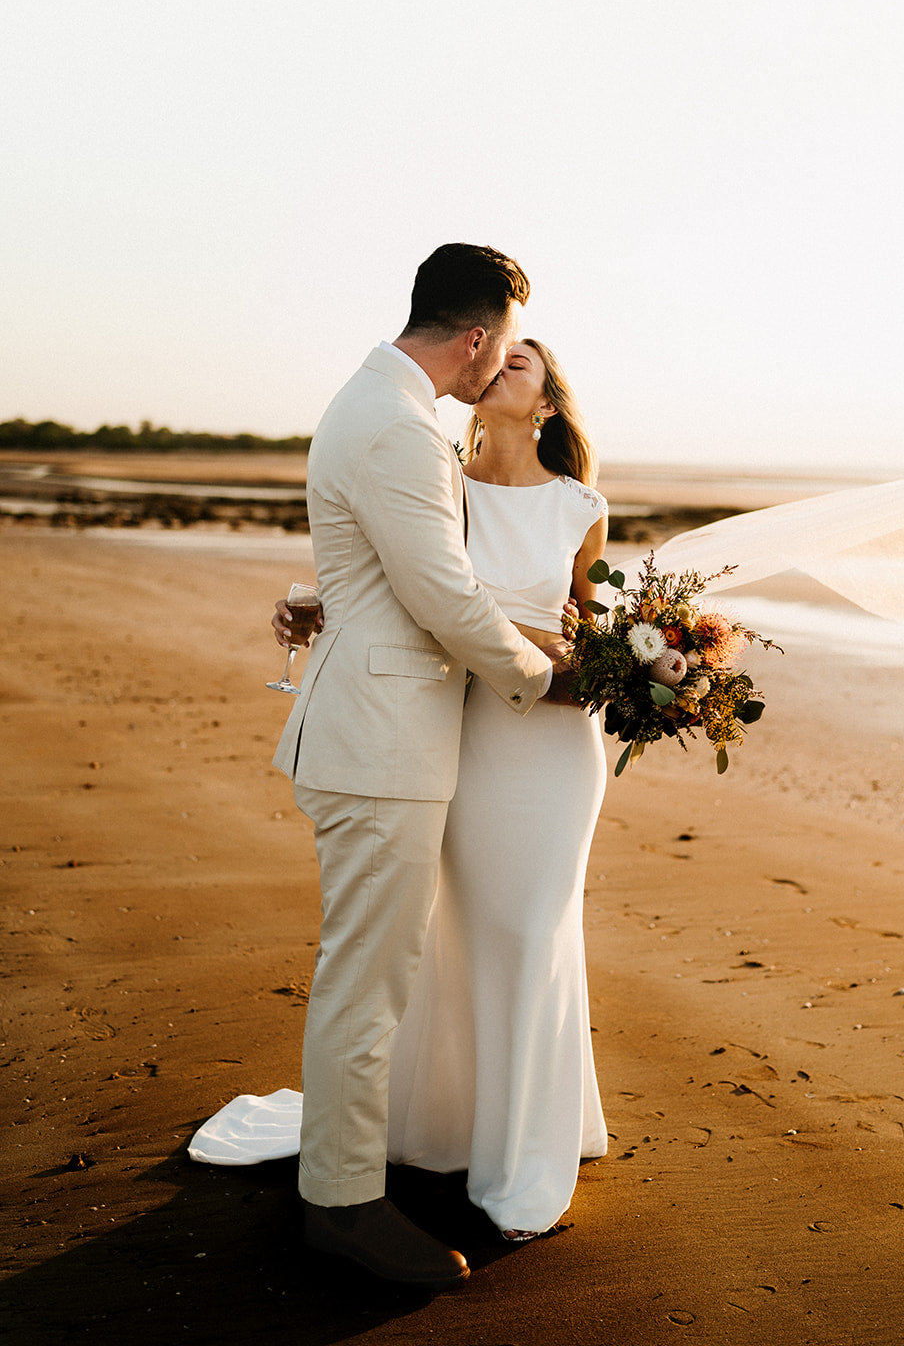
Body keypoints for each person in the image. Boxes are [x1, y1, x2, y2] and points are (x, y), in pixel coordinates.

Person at [271, 244, 572, 1290]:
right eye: (503, 349)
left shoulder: (382, 405)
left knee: (372, 970)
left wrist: (317, 598)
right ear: (479, 339)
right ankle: (344, 1206)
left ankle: (344, 1179)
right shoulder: (398, 426)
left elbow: (387, 573)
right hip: (377, 739)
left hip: (376, 727)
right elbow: (444, 596)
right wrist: (546, 677)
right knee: (367, 978)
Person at [385, 338, 610, 1241]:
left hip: (559, 742)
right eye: (496, 357)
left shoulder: (580, 506)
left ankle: (528, 1150)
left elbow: (590, 620)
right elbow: (415, 597)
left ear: (549, 402)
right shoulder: (440, 487)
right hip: (470, 730)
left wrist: (652, 663)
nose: (500, 364)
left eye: (523, 360)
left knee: (535, 925)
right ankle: (457, 1124)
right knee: (474, 922)